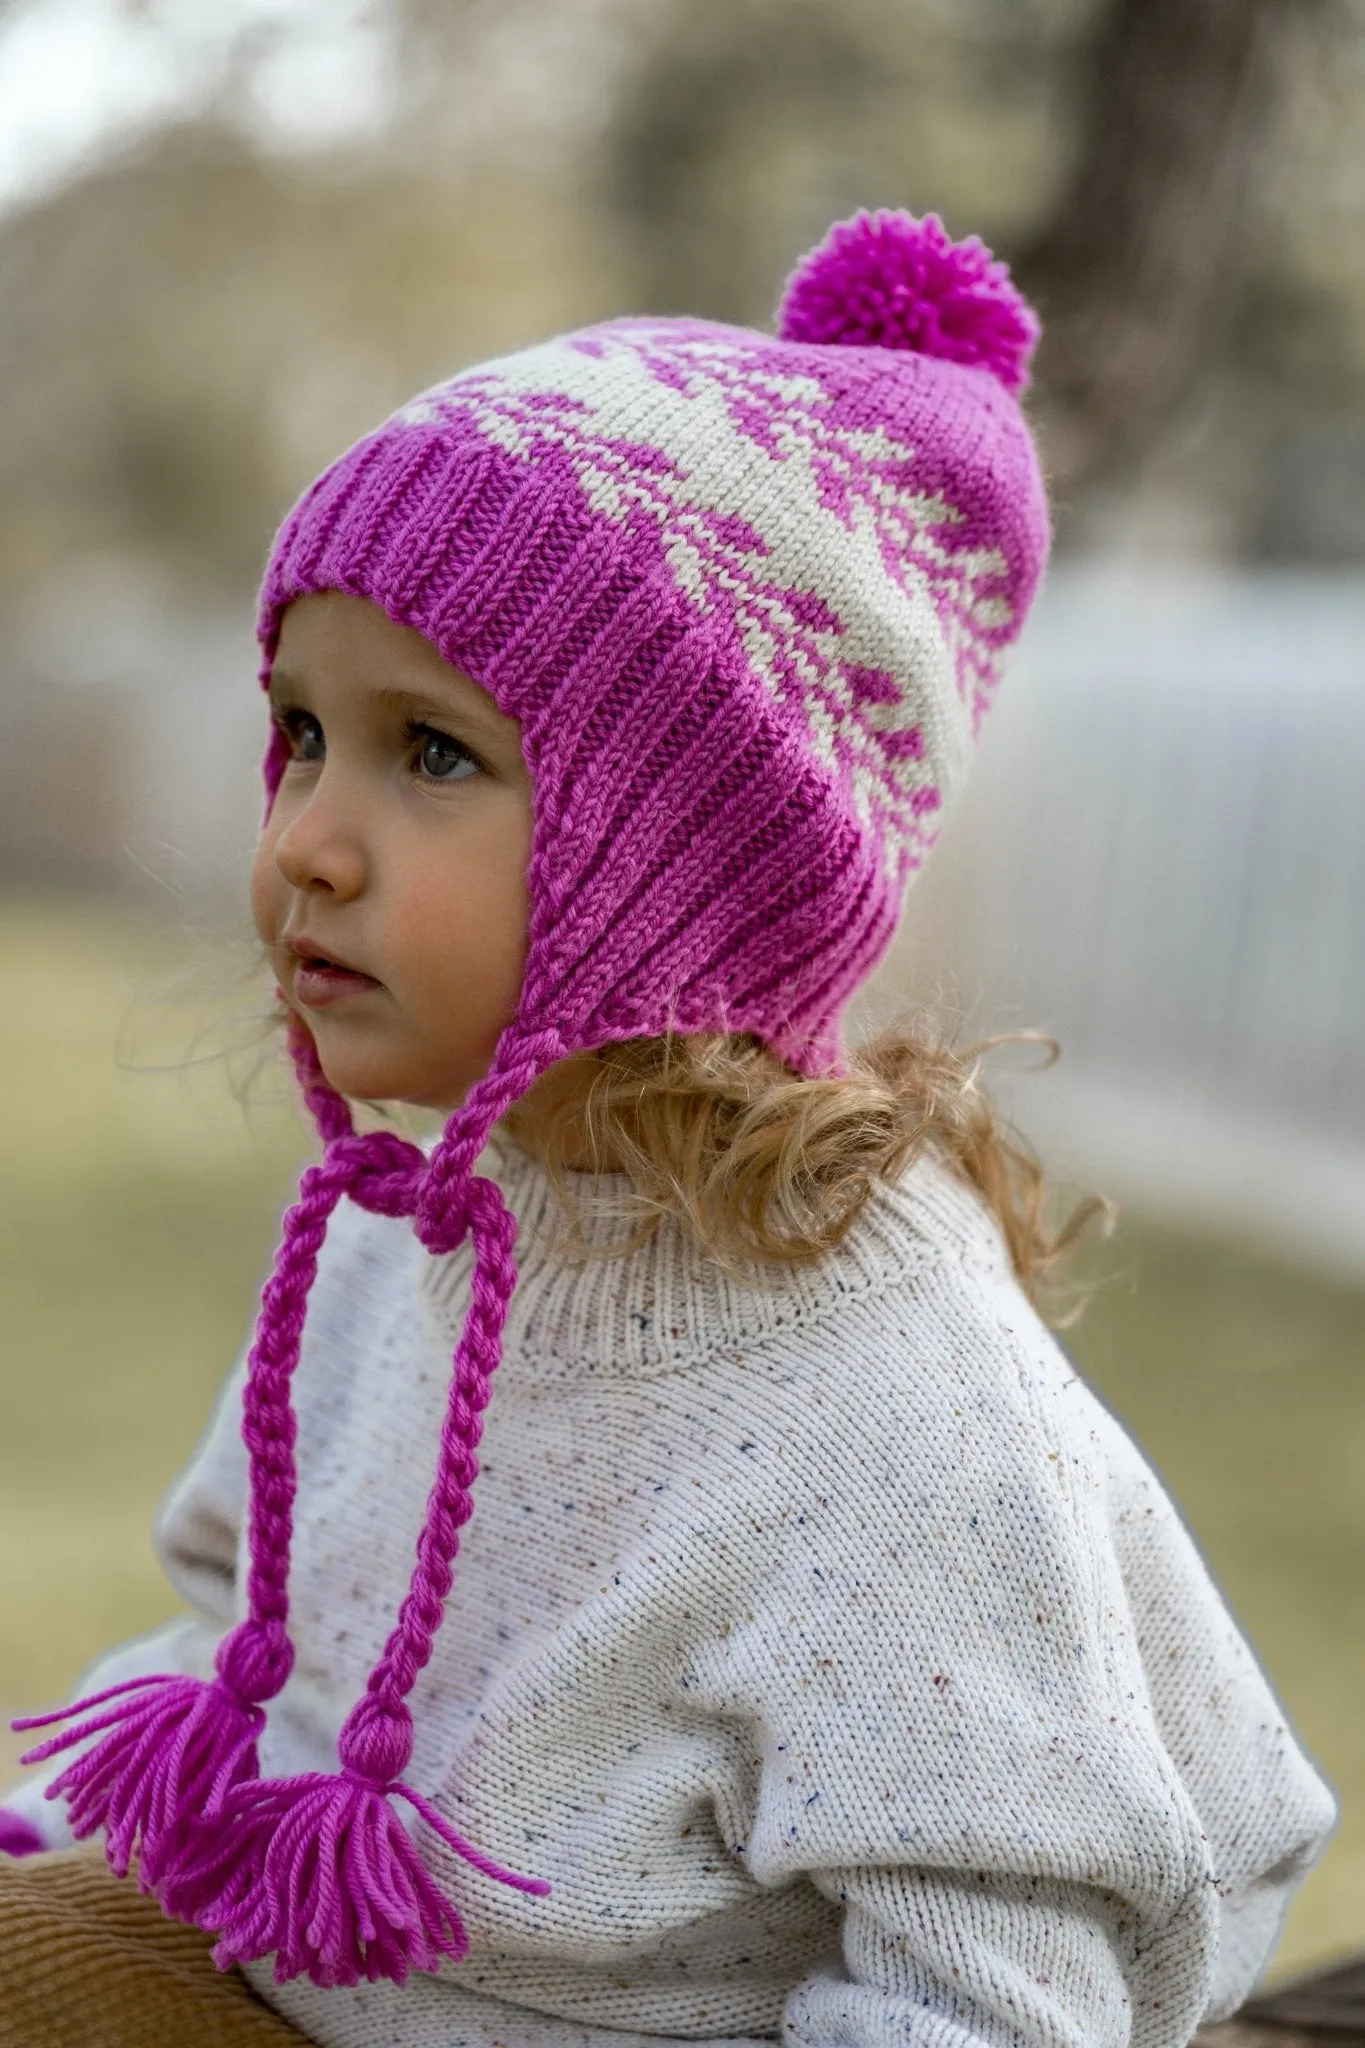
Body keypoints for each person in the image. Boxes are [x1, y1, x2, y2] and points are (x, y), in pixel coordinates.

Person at [0, 210, 1335, 2048]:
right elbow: (247, 1647)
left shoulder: (879, 1390)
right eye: (301, 732)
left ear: (695, 861)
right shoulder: (413, 1220)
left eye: (432, 753)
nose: (305, 832)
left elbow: (1003, 1975)